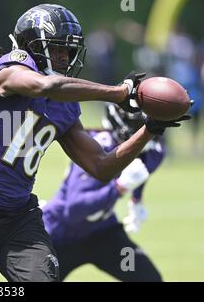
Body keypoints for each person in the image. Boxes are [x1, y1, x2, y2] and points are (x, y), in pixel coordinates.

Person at [0, 3, 189, 282]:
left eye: (68, 50)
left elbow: (101, 166)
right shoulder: (9, 70)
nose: (64, 57)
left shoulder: (65, 108)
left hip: (20, 217)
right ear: (31, 45)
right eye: (56, 48)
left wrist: (149, 129)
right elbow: (48, 87)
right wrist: (119, 93)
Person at [41, 103, 165, 281]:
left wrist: (136, 199)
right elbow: (75, 208)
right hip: (60, 236)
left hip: (103, 234)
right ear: (121, 124)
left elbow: (144, 166)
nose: (144, 133)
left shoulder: (150, 151)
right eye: (139, 126)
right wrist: (119, 188)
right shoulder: (99, 146)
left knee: (147, 278)